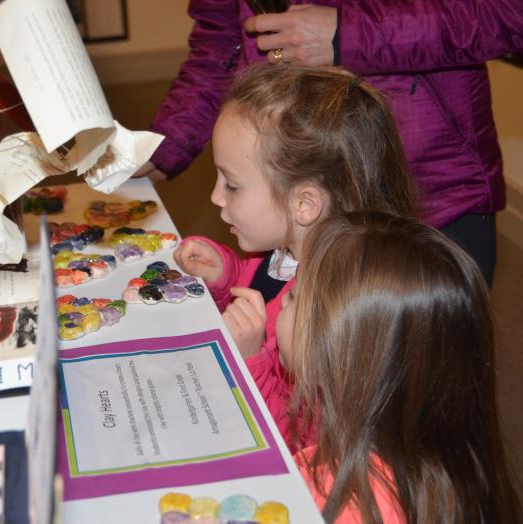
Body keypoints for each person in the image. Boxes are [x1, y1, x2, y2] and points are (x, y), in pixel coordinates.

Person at [139, 0, 523, 286]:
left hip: (427, 190)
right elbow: (220, 42)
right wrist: (167, 142)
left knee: (419, 379)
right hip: (283, 189)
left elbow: (505, 13)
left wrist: (350, 35)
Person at [174, 63, 417, 449]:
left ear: (304, 203)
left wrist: (251, 361)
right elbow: (266, 293)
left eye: (232, 185)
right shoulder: (289, 253)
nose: (215, 197)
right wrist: (227, 277)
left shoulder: (332, 320)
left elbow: (305, 446)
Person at [280, 211, 520, 523]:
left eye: (296, 295)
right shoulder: (438, 467)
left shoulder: (347, 504)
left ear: (348, 354)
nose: (283, 299)